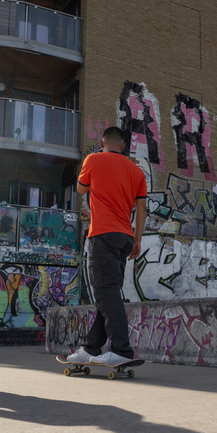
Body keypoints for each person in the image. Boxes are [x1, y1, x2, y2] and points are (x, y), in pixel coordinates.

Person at [67, 126, 147, 366]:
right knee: (108, 292)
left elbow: (81, 188)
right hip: (125, 237)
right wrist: (138, 239)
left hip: (102, 235)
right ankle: (91, 347)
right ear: (123, 146)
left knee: (105, 292)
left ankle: (122, 349)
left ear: (101, 143)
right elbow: (142, 209)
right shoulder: (137, 171)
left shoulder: (93, 159)